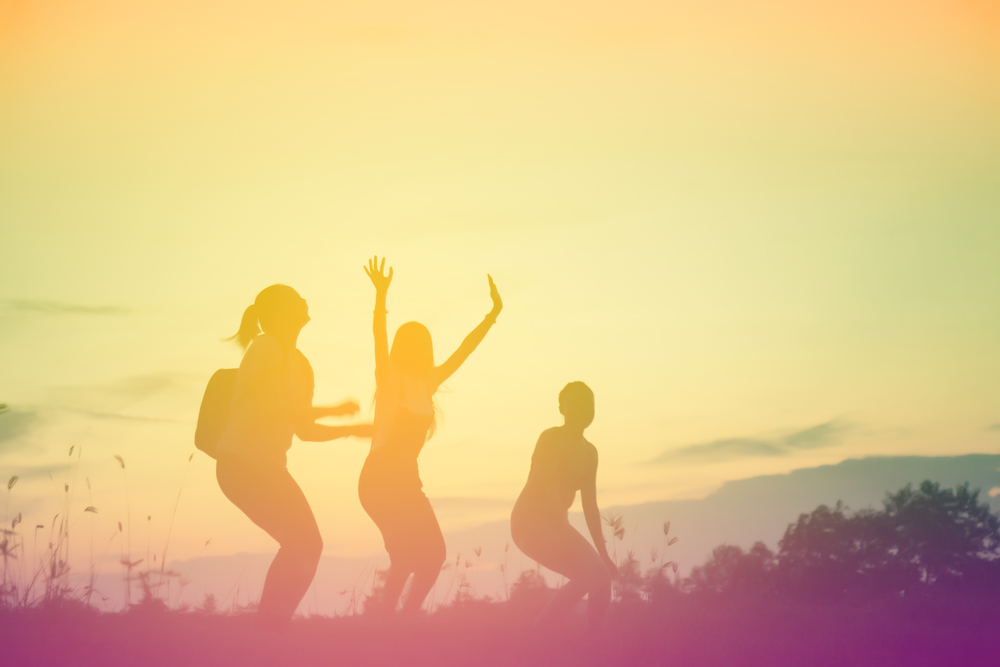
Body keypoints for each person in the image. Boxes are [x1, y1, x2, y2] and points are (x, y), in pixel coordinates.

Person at [215, 284, 371, 629]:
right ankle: (269, 627)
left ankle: (271, 626)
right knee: (303, 543)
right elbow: (271, 408)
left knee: (306, 544)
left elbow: (304, 430)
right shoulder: (265, 346)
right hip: (240, 465)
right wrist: (335, 410)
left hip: (267, 468)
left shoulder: (302, 365)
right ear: (278, 312)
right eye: (294, 298)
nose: (304, 300)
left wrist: (349, 429)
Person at [360, 256, 502, 617]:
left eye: (424, 343)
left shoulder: (429, 383)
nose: (420, 348)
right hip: (378, 482)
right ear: (403, 348)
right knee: (407, 558)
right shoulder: (389, 381)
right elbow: (378, 336)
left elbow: (465, 350)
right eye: (413, 343)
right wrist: (380, 297)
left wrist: (492, 314)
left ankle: (402, 619)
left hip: (407, 482)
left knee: (433, 555)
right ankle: (385, 625)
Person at [510, 382, 618, 632]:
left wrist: (603, 553)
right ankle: (535, 638)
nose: (583, 408)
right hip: (530, 522)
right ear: (562, 407)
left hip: (559, 523)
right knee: (586, 577)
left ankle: (594, 643)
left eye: (589, 403)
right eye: (576, 402)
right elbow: (548, 487)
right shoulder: (550, 438)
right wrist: (561, 529)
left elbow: (590, 506)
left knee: (602, 576)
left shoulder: (590, 452)